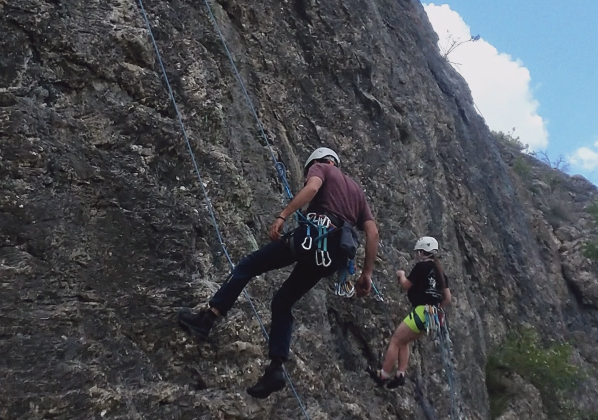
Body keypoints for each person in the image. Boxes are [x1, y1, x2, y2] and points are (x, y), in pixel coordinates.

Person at [176, 146, 379, 398]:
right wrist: (366, 273)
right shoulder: (357, 193)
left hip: (312, 238)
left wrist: (283, 215)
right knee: (283, 303)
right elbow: (372, 233)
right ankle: (275, 369)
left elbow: (313, 188)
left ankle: (207, 319)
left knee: (248, 266)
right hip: (332, 256)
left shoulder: (322, 168)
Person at [372, 236, 450, 388]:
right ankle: (400, 374)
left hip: (421, 311)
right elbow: (447, 298)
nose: (416, 255)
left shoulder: (421, 267)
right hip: (433, 316)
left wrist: (401, 275)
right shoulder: (441, 273)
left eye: (418, 252)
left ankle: (383, 375)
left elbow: (406, 285)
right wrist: (435, 306)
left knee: (395, 340)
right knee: (404, 341)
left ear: (422, 252)